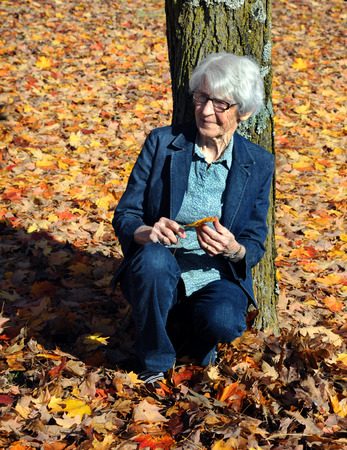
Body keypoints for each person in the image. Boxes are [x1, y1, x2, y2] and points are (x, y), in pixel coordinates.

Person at [111, 52, 275, 385]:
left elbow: (255, 240)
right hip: (158, 267)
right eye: (201, 98)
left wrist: (233, 249)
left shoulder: (258, 163)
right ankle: (154, 361)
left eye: (220, 104)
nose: (205, 110)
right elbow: (126, 214)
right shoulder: (162, 143)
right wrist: (146, 231)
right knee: (154, 265)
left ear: (244, 112)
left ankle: (185, 330)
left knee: (226, 322)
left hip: (216, 276)